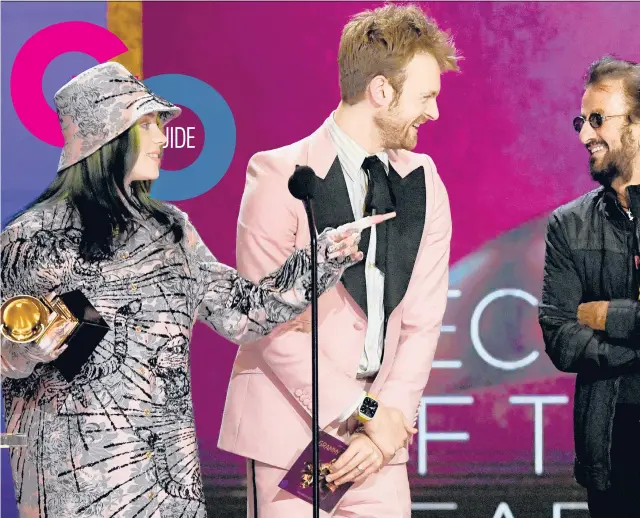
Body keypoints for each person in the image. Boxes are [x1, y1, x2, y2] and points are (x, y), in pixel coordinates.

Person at [0, 62, 391, 518]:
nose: (163, 137)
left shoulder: (171, 229)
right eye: (147, 124)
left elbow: (243, 311)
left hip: (168, 480)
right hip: (71, 480)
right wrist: (27, 348)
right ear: (107, 135)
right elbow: (9, 353)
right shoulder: (28, 237)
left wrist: (323, 256)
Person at [216, 4, 460, 517]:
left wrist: (383, 424)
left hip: (378, 445)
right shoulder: (281, 175)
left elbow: (421, 321)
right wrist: (363, 410)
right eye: (426, 96)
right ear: (380, 92)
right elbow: (263, 323)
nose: (434, 113)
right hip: (292, 431)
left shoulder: (424, 181)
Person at [538, 56, 640, 517]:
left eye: (597, 120)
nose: (584, 135)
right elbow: (562, 339)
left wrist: (610, 317)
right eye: (581, 121)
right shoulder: (569, 225)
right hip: (610, 456)